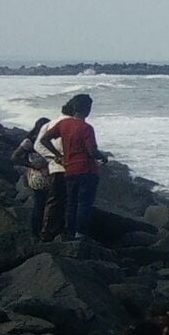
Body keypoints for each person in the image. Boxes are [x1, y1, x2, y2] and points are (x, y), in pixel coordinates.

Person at [44, 93, 102, 238]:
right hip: (86, 169)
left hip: (69, 170)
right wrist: (103, 157)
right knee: (84, 204)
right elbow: (92, 151)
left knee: (71, 203)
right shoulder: (86, 128)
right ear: (87, 109)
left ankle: (69, 232)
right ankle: (80, 234)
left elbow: (45, 139)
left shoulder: (64, 124)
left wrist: (58, 155)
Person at [11, 118, 60, 236]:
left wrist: (32, 165)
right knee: (47, 205)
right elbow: (14, 158)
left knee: (40, 204)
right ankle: (45, 231)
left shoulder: (30, 141)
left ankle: (37, 231)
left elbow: (15, 158)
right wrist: (36, 166)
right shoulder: (48, 141)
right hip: (45, 176)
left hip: (36, 177)